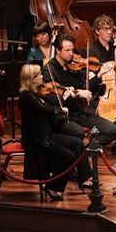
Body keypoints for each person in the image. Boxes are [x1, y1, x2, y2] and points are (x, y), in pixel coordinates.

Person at [18, 63, 91, 198]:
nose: (42, 77)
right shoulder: (26, 96)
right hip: (36, 139)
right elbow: (45, 109)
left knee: (78, 144)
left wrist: (63, 98)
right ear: (32, 79)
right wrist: (60, 110)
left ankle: (85, 179)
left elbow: (47, 105)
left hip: (46, 135)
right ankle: (52, 188)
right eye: (39, 75)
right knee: (69, 156)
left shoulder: (35, 94)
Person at [43, 34, 116, 151]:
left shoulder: (73, 66)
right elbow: (52, 95)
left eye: (72, 50)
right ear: (58, 50)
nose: (71, 53)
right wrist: (77, 93)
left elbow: (86, 87)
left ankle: (89, 147)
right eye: (67, 50)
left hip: (79, 112)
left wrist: (99, 74)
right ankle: (78, 151)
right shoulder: (49, 69)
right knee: (78, 132)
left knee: (115, 130)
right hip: (63, 114)